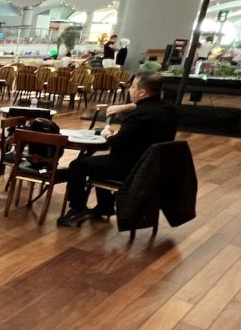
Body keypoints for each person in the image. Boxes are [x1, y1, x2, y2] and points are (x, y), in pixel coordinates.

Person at [58, 72, 178, 227]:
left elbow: (117, 143)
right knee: (98, 162)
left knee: (78, 165)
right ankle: (105, 206)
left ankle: (77, 208)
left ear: (142, 92)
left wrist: (108, 135)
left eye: (133, 87)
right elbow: (150, 105)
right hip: (153, 166)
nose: (130, 90)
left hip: (130, 167)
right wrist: (127, 106)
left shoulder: (137, 116)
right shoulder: (170, 109)